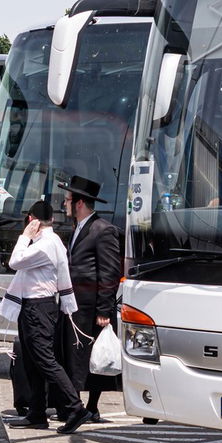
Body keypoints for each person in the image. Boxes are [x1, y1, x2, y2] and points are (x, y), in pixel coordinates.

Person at [2, 200, 91, 435]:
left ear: (32, 220)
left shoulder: (45, 245)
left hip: (38, 308)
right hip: (34, 306)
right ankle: (37, 413)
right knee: (31, 361)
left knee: (45, 361)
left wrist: (23, 236)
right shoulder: (48, 242)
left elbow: (15, 261)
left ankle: (75, 408)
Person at [59, 175, 122, 423]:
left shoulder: (103, 230)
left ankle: (91, 406)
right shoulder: (78, 228)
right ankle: (74, 406)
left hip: (92, 306)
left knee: (95, 356)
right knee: (75, 356)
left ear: (79, 203)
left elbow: (109, 272)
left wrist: (104, 309)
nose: (64, 204)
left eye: (67, 200)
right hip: (75, 305)